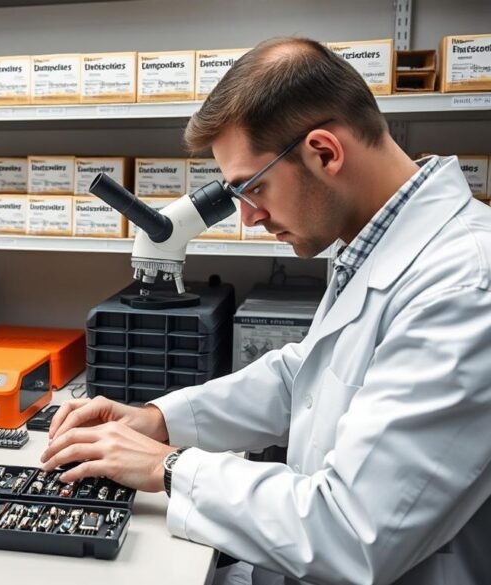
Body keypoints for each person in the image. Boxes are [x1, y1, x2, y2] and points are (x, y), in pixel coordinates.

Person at [41, 37, 491, 585]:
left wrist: (168, 466)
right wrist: (157, 420)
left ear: (325, 153)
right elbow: (303, 377)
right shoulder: (373, 242)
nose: (250, 217)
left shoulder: (464, 284)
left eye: (252, 187)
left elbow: (354, 530)